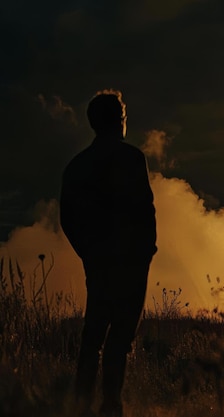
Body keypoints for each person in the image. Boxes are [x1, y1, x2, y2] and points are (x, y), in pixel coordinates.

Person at [60, 90, 157, 417]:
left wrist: (88, 252)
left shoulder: (77, 166)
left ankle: (81, 403)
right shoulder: (132, 159)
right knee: (120, 339)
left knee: (94, 334)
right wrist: (146, 252)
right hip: (130, 261)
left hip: (99, 261)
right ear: (120, 121)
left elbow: (67, 219)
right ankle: (110, 405)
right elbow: (146, 210)